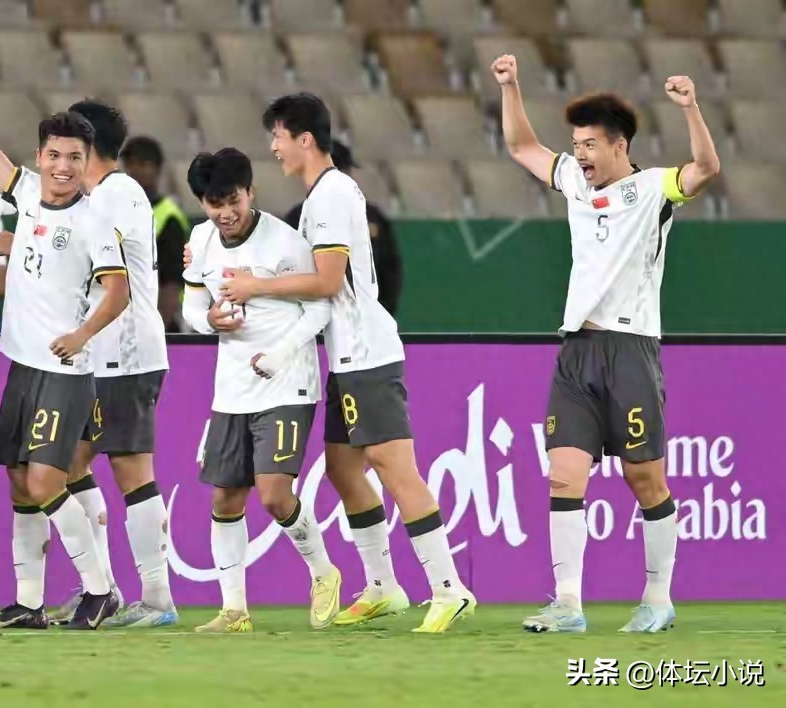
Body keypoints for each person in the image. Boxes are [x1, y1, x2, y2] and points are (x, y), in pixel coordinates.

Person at [219, 93, 476, 633]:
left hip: (367, 352)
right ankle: (383, 586)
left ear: (304, 139)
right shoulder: (321, 197)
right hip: (346, 356)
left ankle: (449, 588)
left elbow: (328, 281)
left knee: (393, 465)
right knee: (341, 468)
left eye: (278, 136)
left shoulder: (332, 194)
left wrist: (255, 286)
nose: (274, 147)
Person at [492, 55, 720, 633]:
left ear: (619, 146)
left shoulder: (653, 188)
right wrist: (512, 87)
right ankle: (568, 605)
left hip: (631, 350)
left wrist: (691, 108)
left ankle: (658, 598)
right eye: (576, 145)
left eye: (590, 145)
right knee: (563, 475)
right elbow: (521, 146)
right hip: (577, 351)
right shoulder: (573, 180)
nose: (580, 156)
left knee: (646, 481)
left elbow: (706, 168)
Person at [0, 44, 129, 630]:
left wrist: (82, 334)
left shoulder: (95, 220)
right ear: (40, 157)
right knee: (18, 482)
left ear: (87, 162)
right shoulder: (27, 191)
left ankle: (101, 590)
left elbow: (118, 291)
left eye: (74, 158)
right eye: (54, 155)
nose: (63, 167)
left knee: (44, 481)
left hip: (64, 371)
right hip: (23, 363)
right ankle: (29, 602)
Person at [182, 148, 340, 633]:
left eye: (233, 200)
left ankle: (323, 572)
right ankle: (234, 610)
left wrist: (281, 352)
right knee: (225, 500)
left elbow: (320, 307)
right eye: (215, 204)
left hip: (287, 382)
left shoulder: (285, 243)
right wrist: (208, 321)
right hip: (231, 387)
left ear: (250, 192)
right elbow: (192, 305)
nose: (226, 213)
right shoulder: (200, 240)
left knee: (273, 495)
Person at [40, 100, 176, 629]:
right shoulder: (106, 195)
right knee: (73, 462)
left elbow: (98, 270)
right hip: (100, 354)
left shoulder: (116, 194)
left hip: (127, 350)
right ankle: (103, 589)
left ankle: (158, 599)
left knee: (130, 469)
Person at [284, 140, 402, 316]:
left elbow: (388, 268)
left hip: (363, 316)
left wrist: (382, 311)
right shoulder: (298, 217)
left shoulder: (371, 216)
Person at [120, 136, 191, 331]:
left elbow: (171, 284)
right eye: (131, 164)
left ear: (157, 169)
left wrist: (156, 332)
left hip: (156, 324)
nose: (135, 170)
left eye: (143, 164)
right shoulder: (117, 210)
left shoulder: (169, 217)